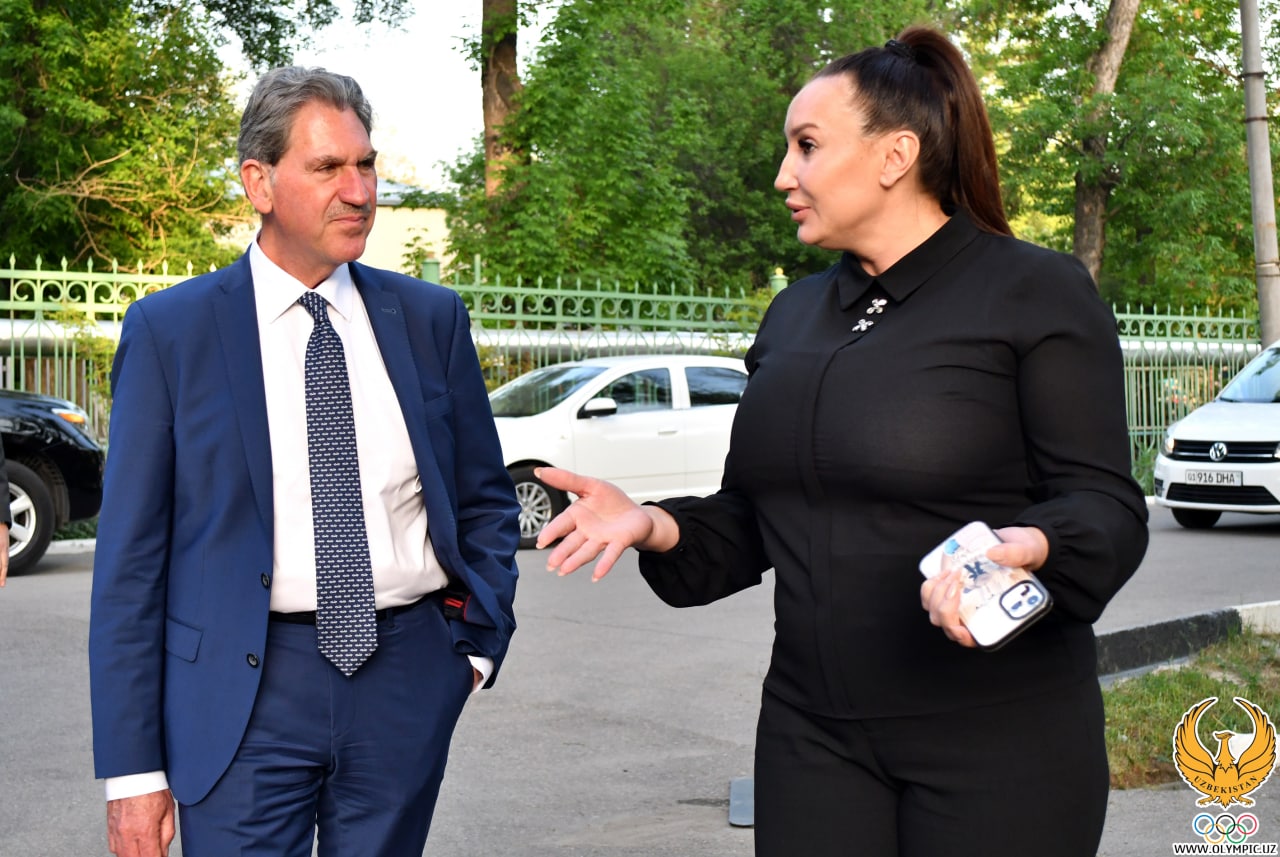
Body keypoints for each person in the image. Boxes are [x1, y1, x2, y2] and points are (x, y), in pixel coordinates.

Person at [536, 25, 1148, 857]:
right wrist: (652, 522)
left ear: (896, 155)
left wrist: (1029, 545)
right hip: (812, 738)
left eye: (807, 146)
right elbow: (757, 515)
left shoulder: (1035, 291)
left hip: (1000, 740)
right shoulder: (794, 315)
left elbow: (1105, 506)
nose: (783, 175)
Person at [88, 67, 520, 857]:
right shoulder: (171, 333)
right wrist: (132, 772)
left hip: (405, 678)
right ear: (259, 182)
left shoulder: (430, 319)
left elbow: (484, 500)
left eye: (366, 164)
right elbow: (130, 564)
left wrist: (474, 651)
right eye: (328, 168)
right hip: (239, 692)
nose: (359, 191)